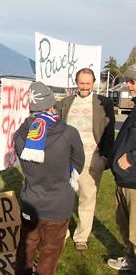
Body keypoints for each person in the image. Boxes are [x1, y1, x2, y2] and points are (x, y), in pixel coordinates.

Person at [14, 81, 85, 275]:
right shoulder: (70, 133)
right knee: (49, 256)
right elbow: (78, 164)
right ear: (52, 105)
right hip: (59, 204)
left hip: (31, 201)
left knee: (25, 252)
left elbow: (27, 164)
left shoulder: (20, 134)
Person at [56, 68, 115, 251]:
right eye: (81, 83)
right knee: (62, 198)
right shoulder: (65, 103)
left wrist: (104, 156)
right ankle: (61, 234)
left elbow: (109, 130)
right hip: (67, 159)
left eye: (88, 83)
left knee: (87, 199)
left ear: (94, 83)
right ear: (76, 82)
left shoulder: (103, 103)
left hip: (92, 159)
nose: (84, 87)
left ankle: (81, 237)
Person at [107, 64, 136, 272]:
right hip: (123, 180)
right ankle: (130, 258)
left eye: (133, 81)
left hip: (134, 183)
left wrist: (133, 157)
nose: (128, 85)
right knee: (125, 227)